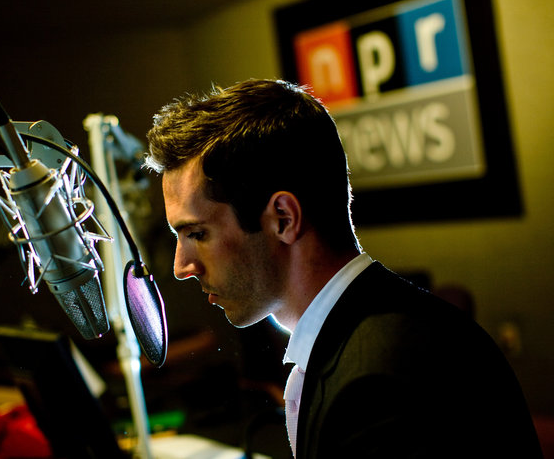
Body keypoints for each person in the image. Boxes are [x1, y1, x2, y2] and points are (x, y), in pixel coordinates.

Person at [145, 79, 542, 458]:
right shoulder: (359, 337)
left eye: (197, 233)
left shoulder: (377, 385)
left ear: (283, 218)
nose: (182, 267)